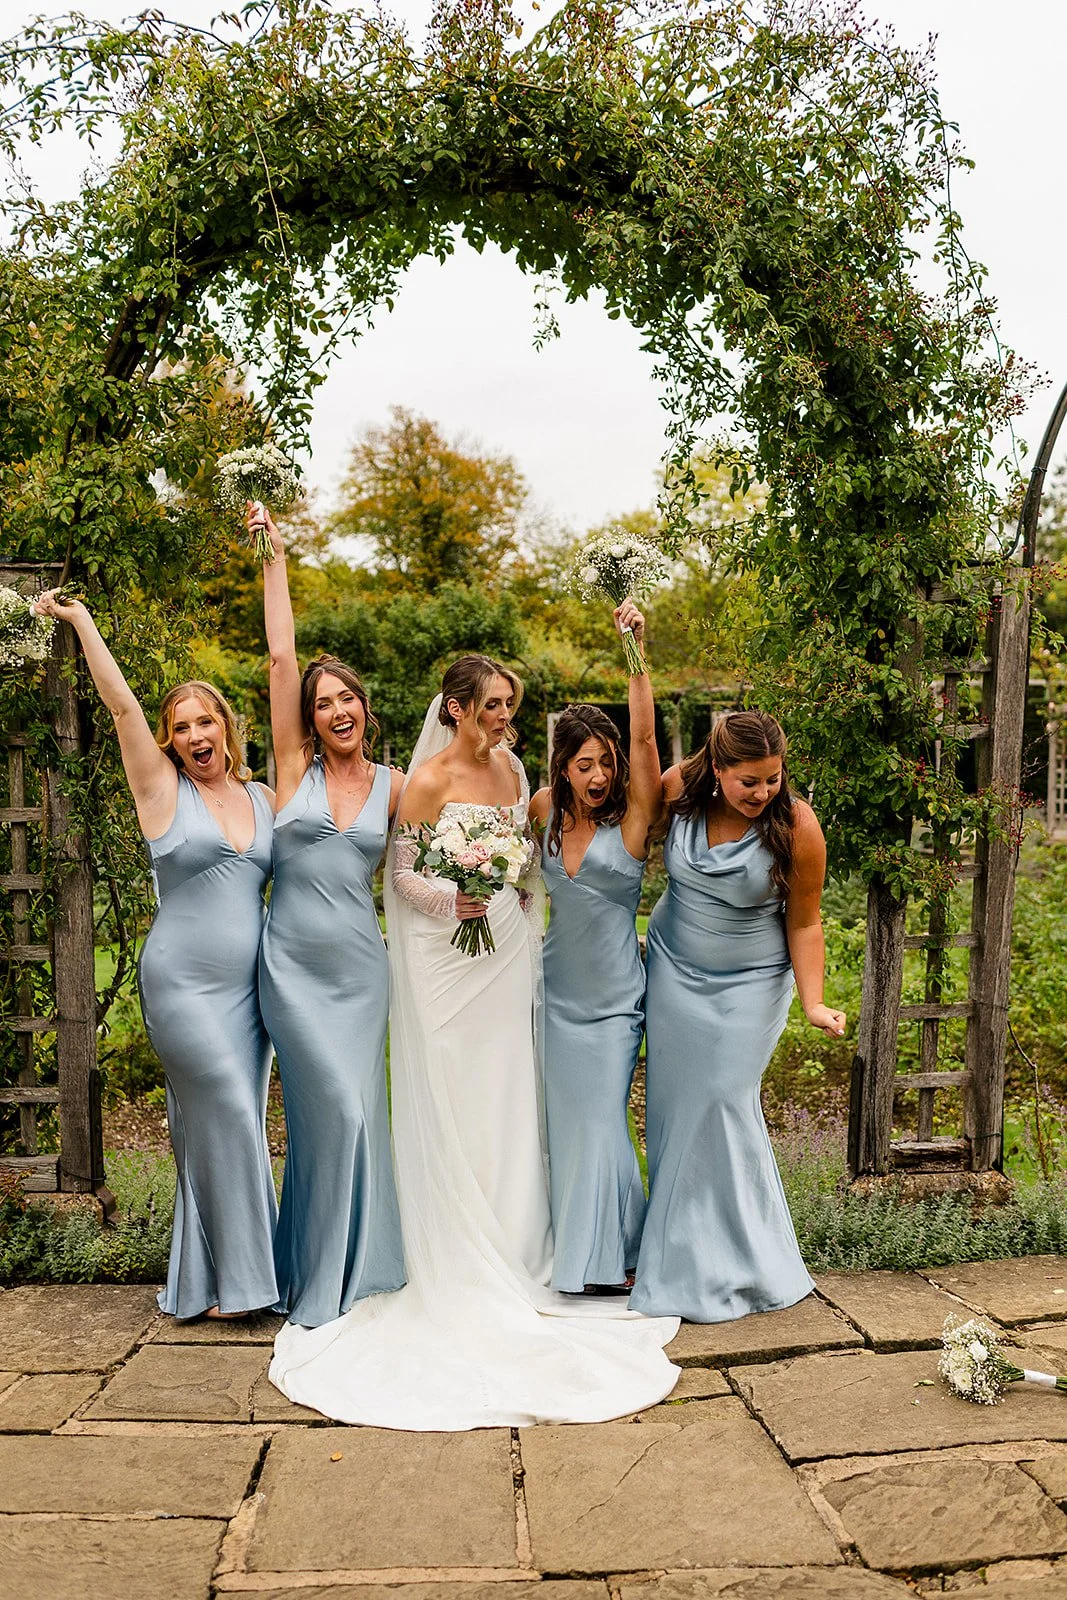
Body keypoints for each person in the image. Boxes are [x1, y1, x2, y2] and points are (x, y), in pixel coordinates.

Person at [269, 655, 680, 1429]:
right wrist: (451, 898)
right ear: (455, 710)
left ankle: (521, 1243)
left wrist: (514, 899)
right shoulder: (423, 781)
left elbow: (530, 864)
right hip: (442, 961)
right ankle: (454, 1249)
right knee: (455, 1095)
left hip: (507, 957)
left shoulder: (518, 772)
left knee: (507, 1096)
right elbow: (398, 877)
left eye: (508, 705)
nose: (503, 717)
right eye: (492, 705)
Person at [32, 590, 278, 1321]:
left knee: (228, 1125)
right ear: (170, 741)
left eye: (205, 721)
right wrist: (81, 622)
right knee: (230, 1114)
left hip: (251, 997)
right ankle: (246, 1283)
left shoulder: (263, 796)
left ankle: (208, 1283)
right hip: (185, 989)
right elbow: (122, 709)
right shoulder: (161, 790)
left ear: (226, 727)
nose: (196, 734)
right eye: (182, 727)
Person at [629, 709, 846, 1324]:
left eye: (773, 778)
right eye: (749, 781)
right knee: (676, 1110)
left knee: (723, 1098)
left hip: (752, 982)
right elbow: (630, 783)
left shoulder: (797, 825)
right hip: (673, 968)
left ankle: (752, 1264)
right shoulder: (679, 793)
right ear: (717, 768)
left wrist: (813, 1001)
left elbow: (804, 920)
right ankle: (679, 1257)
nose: (763, 792)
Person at [252, 503, 406, 1328]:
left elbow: (438, 851)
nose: (336, 710)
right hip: (292, 970)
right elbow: (282, 656)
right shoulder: (289, 772)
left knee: (357, 1114)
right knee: (329, 1112)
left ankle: (356, 1267)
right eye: (322, 704)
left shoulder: (395, 787)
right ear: (309, 719)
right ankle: (318, 1272)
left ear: (364, 708)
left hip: (360, 968)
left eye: (347, 699)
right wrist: (275, 556)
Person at [529, 600, 660, 1293]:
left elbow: (645, 746)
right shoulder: (541, 812)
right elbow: (508, 882)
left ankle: (616, 1255)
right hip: (555, 996)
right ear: (563, 766)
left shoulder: (633, 819)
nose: (599, 776)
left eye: (605, 763)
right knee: (569, 1130)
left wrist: (635, 652)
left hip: (613, 1001)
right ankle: (593, 1253)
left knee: (602, 1121)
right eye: (584, 765)